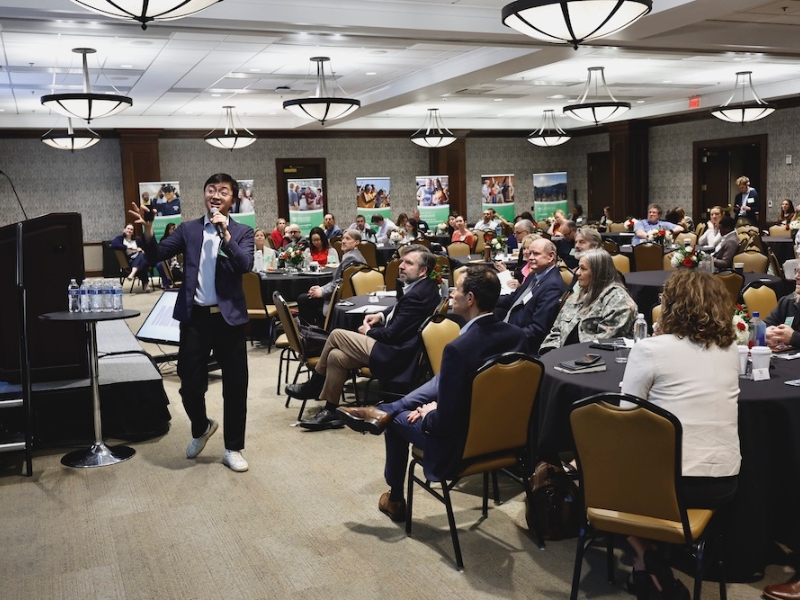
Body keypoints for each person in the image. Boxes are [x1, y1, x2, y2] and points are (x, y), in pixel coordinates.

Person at [335, 266, 527, 522]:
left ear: (470, 298)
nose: (451, 294)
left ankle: (395, 499)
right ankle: (386, 408)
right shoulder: (517, 336)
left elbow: (445, 422)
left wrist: (431, 412)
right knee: (430, 388)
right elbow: (493, 389)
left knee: (397, 422)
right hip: (504, 437)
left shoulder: (458, 349)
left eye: (457, 289)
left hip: (462, 444)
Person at [621, 269, 740, 600]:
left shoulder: (651, 349)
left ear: (671, 305)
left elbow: (626, 415)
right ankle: (645, 571)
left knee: (594, 473)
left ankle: (646, 555)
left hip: (670, 487)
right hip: (723, 483)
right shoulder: (730, 350)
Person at [133, 173, 254, 472]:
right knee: (189, 385)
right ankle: (201, 427)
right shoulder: (188, 229)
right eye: (211, 190)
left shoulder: (243, 232)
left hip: (229, 320)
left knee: (235, 387)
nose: (215, 195)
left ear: (233, 198)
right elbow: (156, 255)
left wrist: (226, 235)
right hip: (195, 319)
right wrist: (147, 230)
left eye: (223, 191)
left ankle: (233, 448)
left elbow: (245, 265)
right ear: (204, 195)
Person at [286, 245, 441, 431]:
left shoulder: (417, 295)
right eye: (402, 261)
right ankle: (331, 410)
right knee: (336, 356)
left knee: (336, 335)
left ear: (423, 271)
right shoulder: (424, 287)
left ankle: (314, 384)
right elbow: (399, 308)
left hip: (397, 355)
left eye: (408, 263)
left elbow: (391, 334)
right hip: (397, 347)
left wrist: (367, 332)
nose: (401, 266)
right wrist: (380, 316)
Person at [539, 249, 637, 353]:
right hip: (562, 354)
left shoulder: (619, 301)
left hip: (592, 357)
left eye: (583, 269)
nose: (577, 273)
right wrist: (549, 351)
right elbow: (556, 330)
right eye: (578, 267)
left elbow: (604, 342)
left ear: (598, 273)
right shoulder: (577, 295)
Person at [494, 238, 567, 354]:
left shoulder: (553, 286)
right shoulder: (534, 275)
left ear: (551, 256)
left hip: (520, 344)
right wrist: (487, 298)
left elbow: (538, 329)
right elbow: (513, 298)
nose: (530, 257)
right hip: (508, 327)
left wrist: (506, 336)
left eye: (536, 254)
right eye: (530, 253)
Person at [297, 229, 366, 327]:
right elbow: (337, 281)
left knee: (303, 299)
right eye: (343, 238)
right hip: (341, 294)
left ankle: (309, 330)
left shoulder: (350, 258)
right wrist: (321, 288)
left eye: (347, 239)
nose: (343, 241)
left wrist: (321, 291)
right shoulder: (356, 255)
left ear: (356, 242)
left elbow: (339, 283)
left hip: (339, 298)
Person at [764, 269, 800, 350]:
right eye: (797, 271)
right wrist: (768, 332)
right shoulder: (788, 302)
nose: (796, 277)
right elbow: (766, 325)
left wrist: (793, 338)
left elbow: (792, 337)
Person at [111, 223, 152, 292]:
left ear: (133, 232)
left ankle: (133, 273)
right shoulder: (120, 239)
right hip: (130, 260)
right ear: (124, 230)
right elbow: (114, 245)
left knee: (142, 256)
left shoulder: (137, 239)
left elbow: (146, 247)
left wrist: (142, 250)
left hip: (139, 256)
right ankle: (145, 285)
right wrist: (129, 247)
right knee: (143, 262)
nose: (129, 230)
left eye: (131, 229)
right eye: (128, 229)